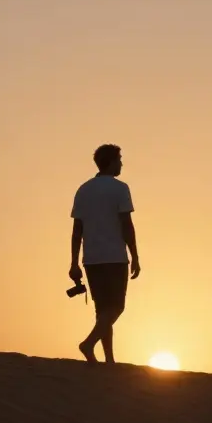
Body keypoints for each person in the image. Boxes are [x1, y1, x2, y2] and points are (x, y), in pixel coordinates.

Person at [69, 144, 141, 363]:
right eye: (119, 159)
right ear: (110, 161)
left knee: (103, 311)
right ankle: (89, 343)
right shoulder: (120, 188)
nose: (121, 163)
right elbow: (126, 225)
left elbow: (77, 230)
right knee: (116, 307)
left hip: (91, 258)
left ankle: (109, 359)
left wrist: (74, 262)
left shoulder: (83, 189)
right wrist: (135, 255)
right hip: (114, 257)